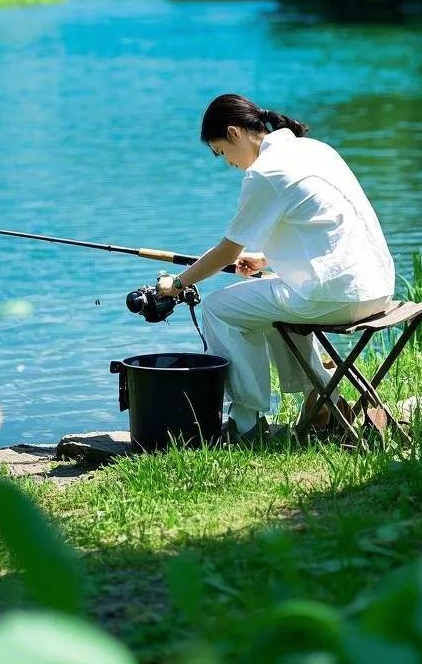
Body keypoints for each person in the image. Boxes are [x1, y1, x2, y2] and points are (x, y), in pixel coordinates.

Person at [156, 94, 394, 443]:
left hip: (336, 295)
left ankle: (246, 422)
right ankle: (323, 396)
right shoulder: (314, 149)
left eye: (222, 152)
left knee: (219, 309)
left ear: (235, 133)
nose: (229, 163)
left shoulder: (264, 173)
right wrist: (265, 260)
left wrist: (177, 282)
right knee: (262, 303)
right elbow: (327, 226)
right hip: (376, 286)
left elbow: (226, 250)